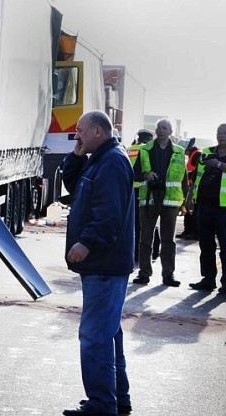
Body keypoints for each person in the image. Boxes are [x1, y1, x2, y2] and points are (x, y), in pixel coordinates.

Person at [61, 110, 134, 416]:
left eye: (80, 130)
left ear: (98, 132)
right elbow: (74, 186)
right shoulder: (99, 158)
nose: (76, 134)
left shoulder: (112, 162)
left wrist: (86, 243)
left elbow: (108, 215)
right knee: (108, 333)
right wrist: (77, 156)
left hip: (105, 265)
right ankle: (117, 398)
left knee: (94, 336)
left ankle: (102, 406)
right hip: (104, 266)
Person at [132, 118, 187, 286]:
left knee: (168, 240)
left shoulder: (179, 151)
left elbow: (184, 180)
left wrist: (184, 201)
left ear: (171, 131)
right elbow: (134, 174)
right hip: (149, 199)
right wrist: (146, 175)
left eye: (165, 128)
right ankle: (144, 274)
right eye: (159, 127)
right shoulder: (145, 150)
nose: (161, 130)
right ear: (155, 131)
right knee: (145, 238)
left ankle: (168, 275)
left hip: (170, 201)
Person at [188, 124, 226, 293]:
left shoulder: (216, 159)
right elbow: (196, 177)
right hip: (205, 205)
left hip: (224, 208)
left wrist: (218, 165)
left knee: (225, 246)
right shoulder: (206, 152)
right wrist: (190, 198)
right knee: (206, 245)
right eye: (219, 133)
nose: (221, 136)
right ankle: (208, 279)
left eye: (224, 133)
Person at [127, 129, 160, 264]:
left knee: (134, 223)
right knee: (150, 223)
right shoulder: (149, 151)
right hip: (146, 190)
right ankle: (153, 253)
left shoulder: (130, 149)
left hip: (131, 190)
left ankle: (135, 253)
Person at [177, 138, 201, 239]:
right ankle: (187, 231)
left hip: (195, 187)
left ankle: (194, 233)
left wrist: (187, 175)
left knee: (193, 210)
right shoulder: (193, 154)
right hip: (190, 185)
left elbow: (196, 172)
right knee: (187, 208)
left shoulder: (197, 154)